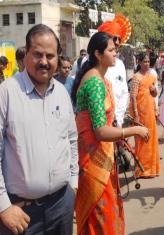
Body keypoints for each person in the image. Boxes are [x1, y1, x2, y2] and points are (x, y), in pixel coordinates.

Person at [0, 24, 78, 235]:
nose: (44, 62)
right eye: (38, 54)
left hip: (61, 206)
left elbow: (71, 139)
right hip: (21, 213)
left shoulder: (61, 92)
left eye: (50, 56)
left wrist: (73, 183)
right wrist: (3, 206)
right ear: (26, 54)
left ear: (58, 58)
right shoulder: (7, 93)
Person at [72, 32, 149, 234]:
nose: (116, 54)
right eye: (111, 50)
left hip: (100, 158)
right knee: (101, 220)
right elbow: (99, 131)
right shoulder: (95, 83)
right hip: (94, 161)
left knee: (104, 217)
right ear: (98, 54)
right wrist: (134, 130)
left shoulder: (100, 79)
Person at [97, 15, 131, 128]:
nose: (117, 42)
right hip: (98, 123)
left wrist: (118, 119)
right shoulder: (90, 64)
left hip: (117, 122)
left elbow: (124, 93)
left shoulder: (120, 64)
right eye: (113, 38)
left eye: (119, 39)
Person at [130, 52, 160, 178]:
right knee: (141, 140)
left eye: (148, 62)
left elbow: (154, 95)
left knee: (151, 138)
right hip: (140, 112)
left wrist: (154, 91)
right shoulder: (136, 77)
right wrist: (136, 114)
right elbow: (133, 96)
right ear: (139, 62)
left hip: (150, 111)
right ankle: (142, 170)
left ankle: (151, 169)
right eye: (144, 62)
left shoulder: (151, 76)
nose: (146, 64)